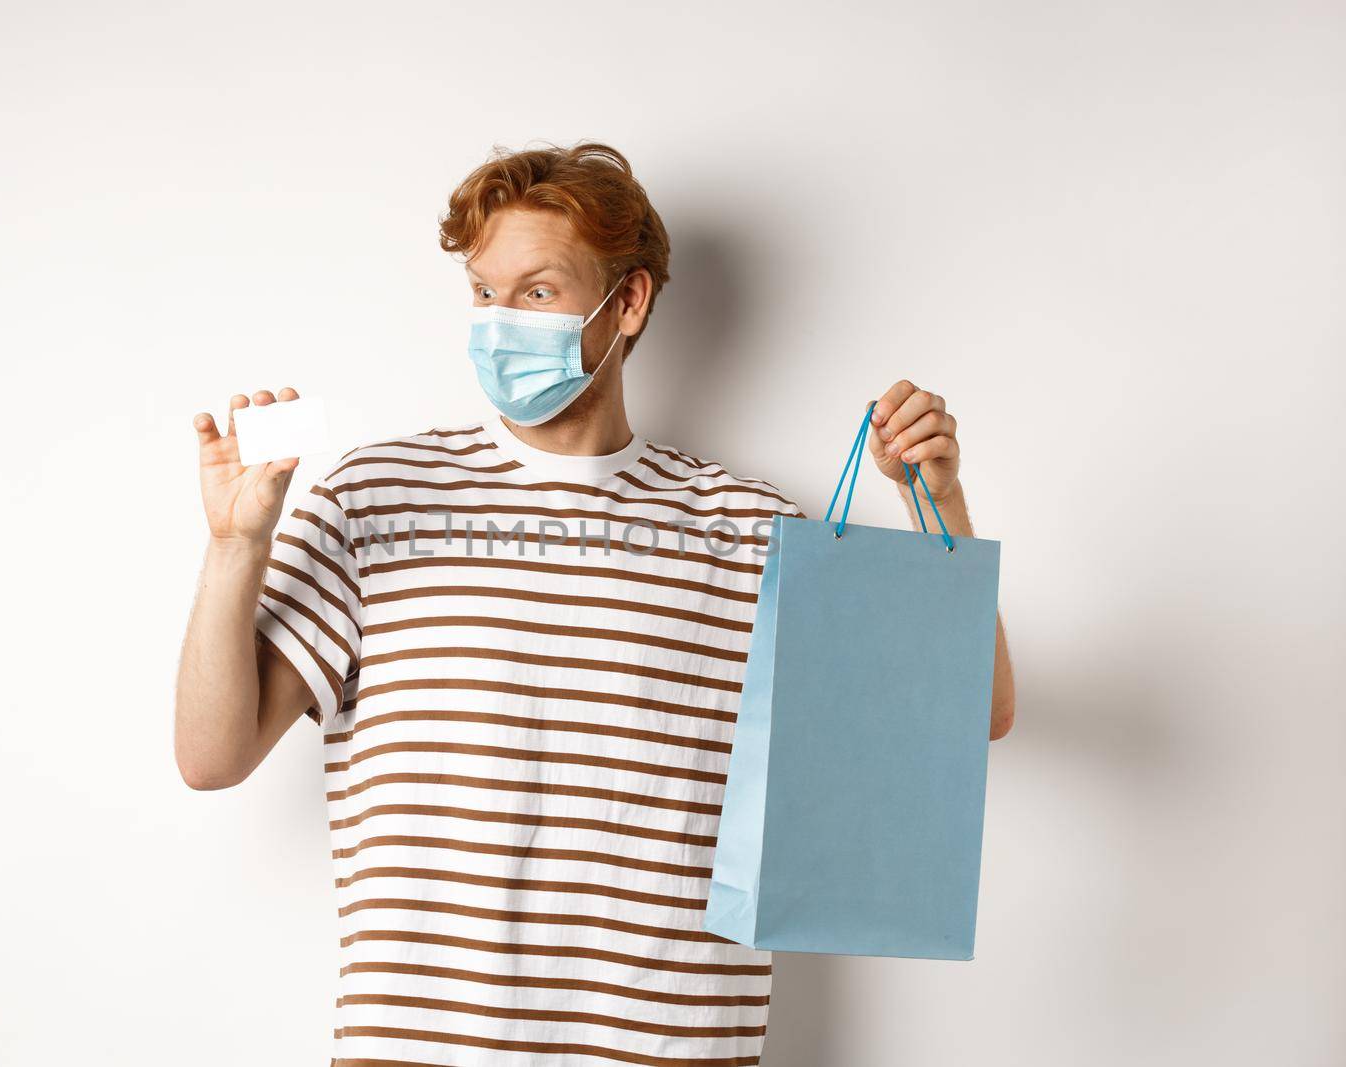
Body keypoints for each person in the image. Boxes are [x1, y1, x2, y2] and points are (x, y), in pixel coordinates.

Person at [174, 141, 1016, 1065]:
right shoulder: (376, 499)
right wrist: (235, 547)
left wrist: (937, 500)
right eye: (485, 293)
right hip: (421, 1049)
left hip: (673, 1047)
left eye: (537, 293)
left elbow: (966, 715)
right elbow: (212, 756)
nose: (500, 324)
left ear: (630, 303)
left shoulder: (753, 528)